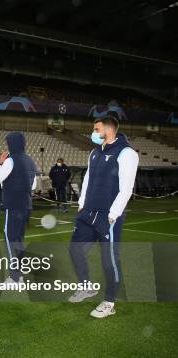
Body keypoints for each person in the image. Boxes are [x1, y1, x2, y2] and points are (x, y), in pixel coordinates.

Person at [68, 116, 138, 318]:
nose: (93, 131)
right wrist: (81, 204)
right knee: (75, 250)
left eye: (96, 128)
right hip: (87, 213)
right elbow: (88, 179)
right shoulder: (94, 152)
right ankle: (86, 286)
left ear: (108, 130)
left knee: (109, 260)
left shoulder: (127, 153)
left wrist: (113, 214)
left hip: (108, 217)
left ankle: (109, 302)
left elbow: (126, 188)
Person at [0, 132, 37, 284]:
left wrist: (0, 163)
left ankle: (15, 276)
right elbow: (34, 185)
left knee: (10, 238)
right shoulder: (31, 161)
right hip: (26, 205)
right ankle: (20, 268)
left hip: (13, 205)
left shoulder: (10, 161)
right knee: (19, 238)